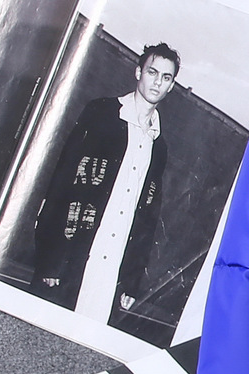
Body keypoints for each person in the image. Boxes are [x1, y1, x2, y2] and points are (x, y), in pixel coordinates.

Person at [30, 43, 177, 322]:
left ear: (171, 86)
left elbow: (147, 218)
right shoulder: (102, 113)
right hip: (75, 256)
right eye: (152, 72)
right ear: (138, 73)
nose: (158, 82)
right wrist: (52, 258)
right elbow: (63, 180)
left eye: (166, 77)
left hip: (111, 270)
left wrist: (132, 279)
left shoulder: (159, 146)